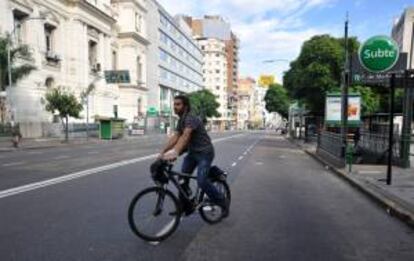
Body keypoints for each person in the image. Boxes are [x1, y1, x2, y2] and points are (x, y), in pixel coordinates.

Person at [158, 95, 228, 216]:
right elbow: (176, 136)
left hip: (205, 153)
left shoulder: (190, 118)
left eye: (178, 104)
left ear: (185, 106)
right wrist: (162, 152)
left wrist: (175, 152)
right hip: (192, 153)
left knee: (201, 181)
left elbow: (185, 136)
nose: (175, 107)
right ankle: (185, 206)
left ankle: (222, 201)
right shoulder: (181, 120)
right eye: (174, 104)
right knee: (182, 180)